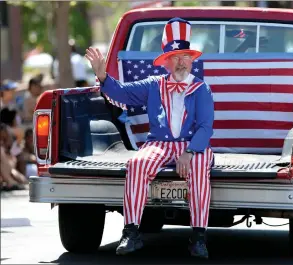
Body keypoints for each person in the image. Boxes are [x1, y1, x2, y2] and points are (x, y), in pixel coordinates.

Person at [85, 17, 214, 259]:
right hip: (160, 143)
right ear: (166, 62)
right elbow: (122, 93)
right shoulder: (154, 85)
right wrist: (103, 76)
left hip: (193, 144)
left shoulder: (201, 88)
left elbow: (206, 128)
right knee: (136, 163)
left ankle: (198, 237)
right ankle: (131, 232)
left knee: (198, 166)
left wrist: (189, 152)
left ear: (192, 60)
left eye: (185, 56)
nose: (181, 62)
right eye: (175, 57)